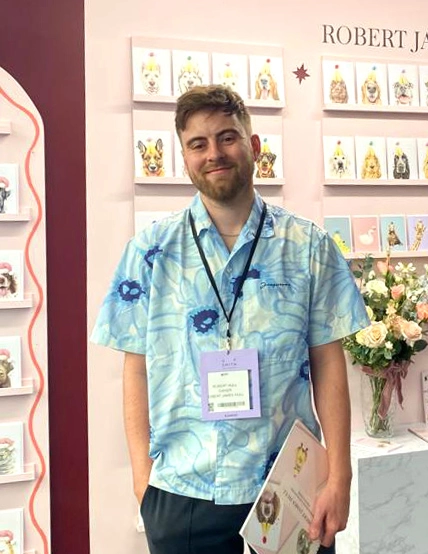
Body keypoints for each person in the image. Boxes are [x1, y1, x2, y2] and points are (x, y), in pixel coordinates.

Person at [91, 84, 369, 554]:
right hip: (183, 490)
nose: (214, 153)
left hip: (290, 485)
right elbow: (135, 367)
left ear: (254, 146)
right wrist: (144, 478)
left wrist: (339, 474)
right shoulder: (149, 253)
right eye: (198, 144)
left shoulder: (309, 247)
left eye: (227, 137)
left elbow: (328, 361)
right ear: (184, 157)